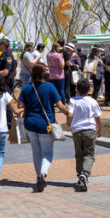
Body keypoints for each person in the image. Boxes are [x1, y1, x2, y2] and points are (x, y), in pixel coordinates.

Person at [15, 63, 69, 192]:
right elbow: (60, 105)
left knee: (36, 152)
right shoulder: (50, 87)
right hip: (46, 125)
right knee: (47, 152)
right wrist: (69, 114)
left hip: (29, 123)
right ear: (45, 74)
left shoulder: (27, 88)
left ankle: (38, 175)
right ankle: (43, 174)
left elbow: (20, 105)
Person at [67, 76, 103, 191]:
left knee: (79, 154)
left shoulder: (73, 100)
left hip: (77, 130)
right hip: (89, 130)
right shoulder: (92, 101)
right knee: (89, 154)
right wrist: (100, 129)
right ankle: (85, 174)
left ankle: (79, 176)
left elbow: (70, 115)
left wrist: (69, 123)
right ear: (89, 89)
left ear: (77, 88)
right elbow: (98, 117)